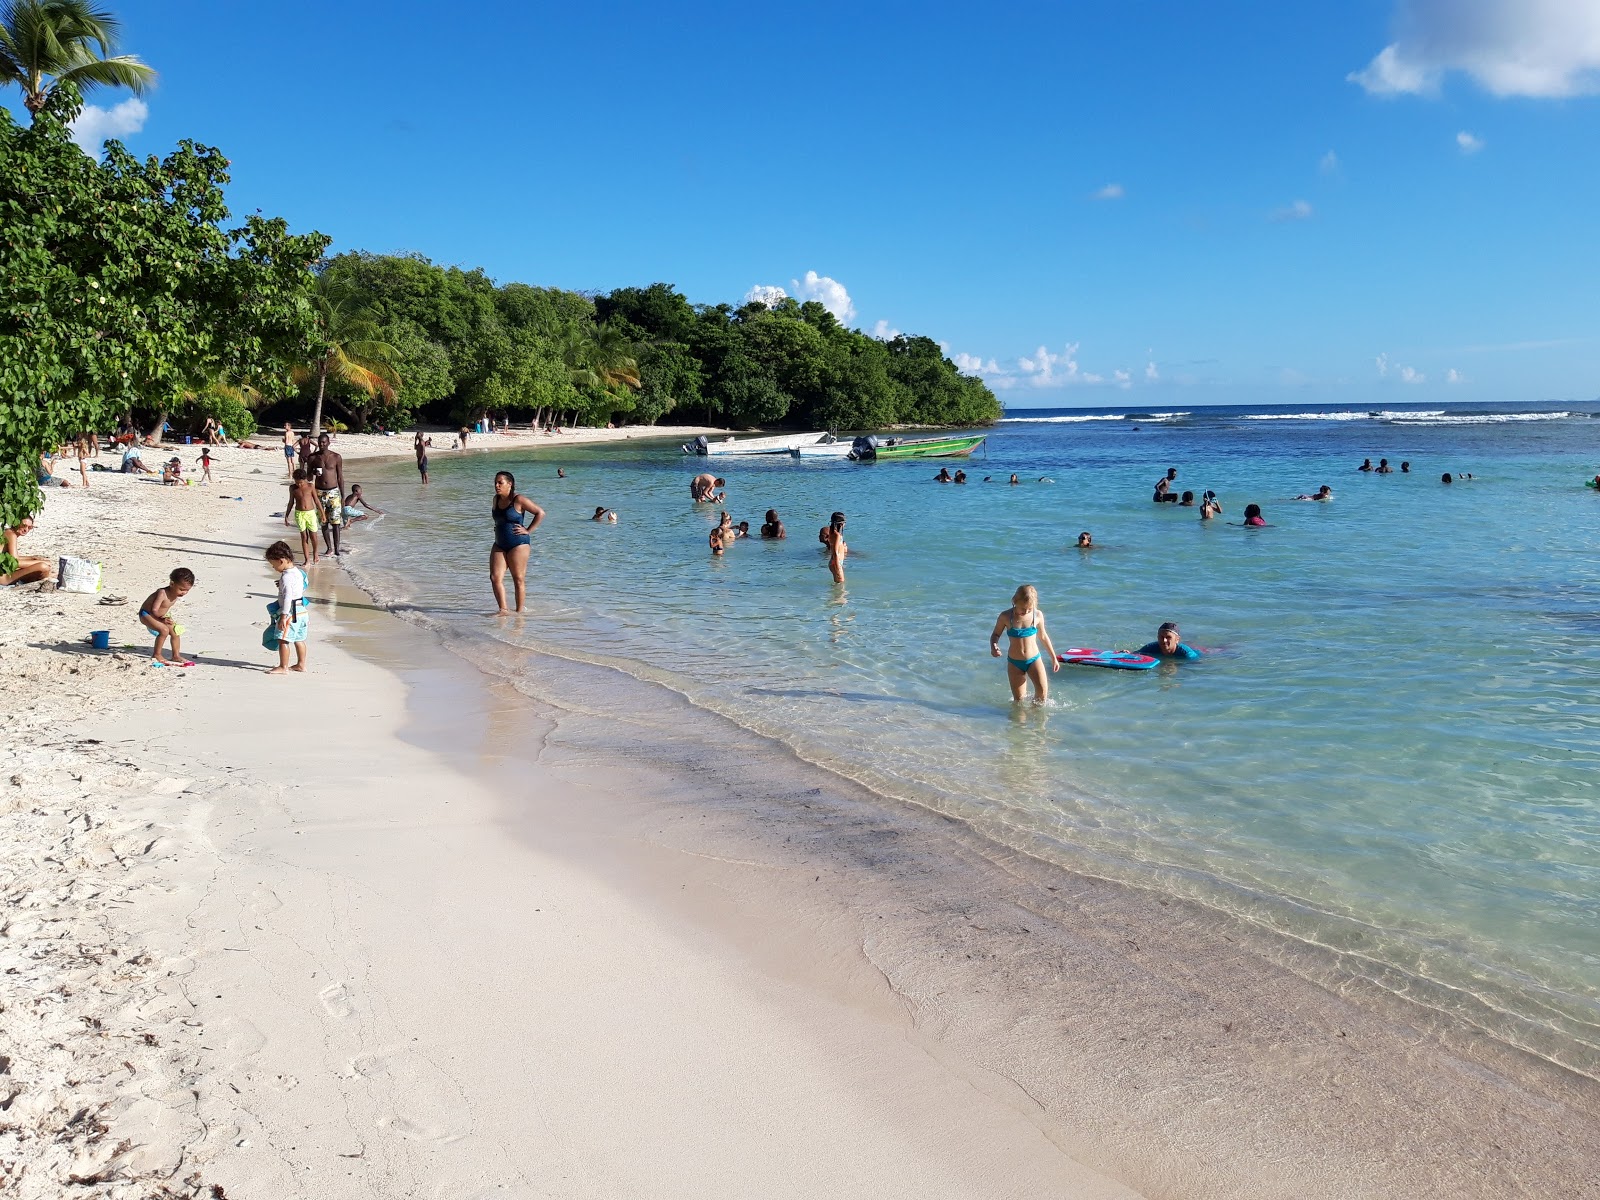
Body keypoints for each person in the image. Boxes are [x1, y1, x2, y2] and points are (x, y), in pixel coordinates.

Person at [989, 584, 1059, 705]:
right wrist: (994, 645)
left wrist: (1054, 658)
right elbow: (995, 634)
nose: (1026, 611)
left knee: (1042, 696)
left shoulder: (1037, 615)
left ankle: (1038, 722)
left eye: (1029, 609)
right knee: (1019, 701)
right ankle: (1020, 724)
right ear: (1014, 601)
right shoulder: (1005, 617)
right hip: (1014, 663)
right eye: (1022, 609)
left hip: (1034, 660)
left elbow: (1043, 637)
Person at [490, 470, 545, 614]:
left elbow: (540, 513)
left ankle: (519, 613)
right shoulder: (495, 499)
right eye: (495, 482)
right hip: (499, 543)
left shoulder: (518, 500)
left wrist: (528, 530)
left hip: (518, 544)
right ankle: (503, 610)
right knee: (495, 578)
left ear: (510, 484)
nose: (496, 485)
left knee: (518, 578)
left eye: (500, 482)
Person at [264, 541, 310, 674]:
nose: (274, 568)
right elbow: (300, 587)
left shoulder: (286, 577)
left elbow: (288, 596)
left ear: (281, 561)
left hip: (291, 613)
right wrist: (282, 585)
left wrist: (283, 616)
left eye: (273, 565)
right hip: (302, 611)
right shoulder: (298, 572)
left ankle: (283, 667)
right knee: (299, 639)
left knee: (282, 639)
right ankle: (301, 665)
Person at [138, 567, 195, 667]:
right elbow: (154, 610)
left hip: (159, 616)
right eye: (181, 589)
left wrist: (167, 618)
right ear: (172, 584)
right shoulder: (162, 593)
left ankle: (176, 655)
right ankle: (156, 654)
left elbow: (164, 609)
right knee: (164, 630)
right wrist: (162, 620)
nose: (184, 593)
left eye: (187, 590)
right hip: (146, 614)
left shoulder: (176, 594)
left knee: (175, 631)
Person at [307, 433, 347, 557]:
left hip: (333, 492)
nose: (322, 444)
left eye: (324, 442)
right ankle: (329, 548)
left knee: (336, 522)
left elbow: (340, 477)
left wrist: (343, 496)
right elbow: (308, 477)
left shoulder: (336, 457)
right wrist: (313, 472)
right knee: (323, 522)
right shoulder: (313, 458)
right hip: (319, 492)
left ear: (329, 442)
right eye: (320, 442)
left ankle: (337, 548)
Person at [286, 469, 325, 564]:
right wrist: (286, 516)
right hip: (299, 514)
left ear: (305, 479)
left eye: (301, 482)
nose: (299, 484)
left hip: (310, 513)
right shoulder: (292, 488)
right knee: (304, 537)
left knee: (313, 536)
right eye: (297, 482)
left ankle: (315, 553)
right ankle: (307, 559)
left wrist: (322, 514)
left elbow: (316, 501)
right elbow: (291, 502)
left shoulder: (310, 486)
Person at [1, 518, 53, 586]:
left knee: (44, 568)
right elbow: (15, 562)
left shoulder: (8, 532)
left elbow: (10, 558)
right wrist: (42, 562)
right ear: (16, 523)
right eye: (24, 525)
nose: (26, 530)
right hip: (3, 577)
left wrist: (31, 558)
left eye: (30, 527)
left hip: (4, 573)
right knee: (43, 567)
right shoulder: (11, 534)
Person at [821, 511, 847, 583]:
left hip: (834, 562)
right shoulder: (837, 535)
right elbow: (835, 552)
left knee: (838, 586)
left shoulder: (832, 533)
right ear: (841, 524)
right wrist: (838, 567)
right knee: (841, 588)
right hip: (836, 562)